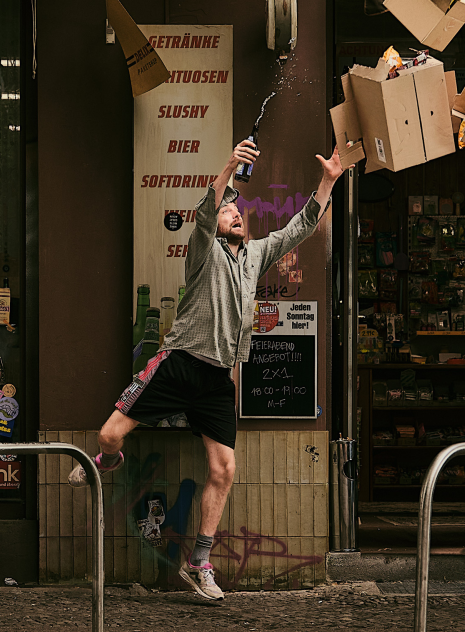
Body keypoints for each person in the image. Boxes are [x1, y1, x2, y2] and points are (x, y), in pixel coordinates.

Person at [67, 139, 343, 601]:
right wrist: (231, 166)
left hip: (217, 379)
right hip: (177, 365)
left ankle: (199, 562)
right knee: (109, 436)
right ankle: (107, 462)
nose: (234, 214)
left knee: (224, 468)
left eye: (238, 211)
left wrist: (328, 180)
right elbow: (206, 210)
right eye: (227, 211)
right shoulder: (203, 249)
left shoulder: (256, 255)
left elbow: (301, 226)